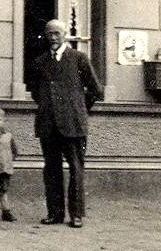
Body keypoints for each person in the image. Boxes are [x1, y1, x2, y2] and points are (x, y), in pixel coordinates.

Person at [25, 19, 103, 229]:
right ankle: (55, 214)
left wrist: (78, 108)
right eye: (49, 34)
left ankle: (76, 215)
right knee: (51, 170)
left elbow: (96, 90)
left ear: (65, 35)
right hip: (48, 125)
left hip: (74, 125)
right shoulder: (39, 62)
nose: (53, 37)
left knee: (76, 169)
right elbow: (36, 92)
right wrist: (49, 108)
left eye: (57, 33)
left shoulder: (79, 59)